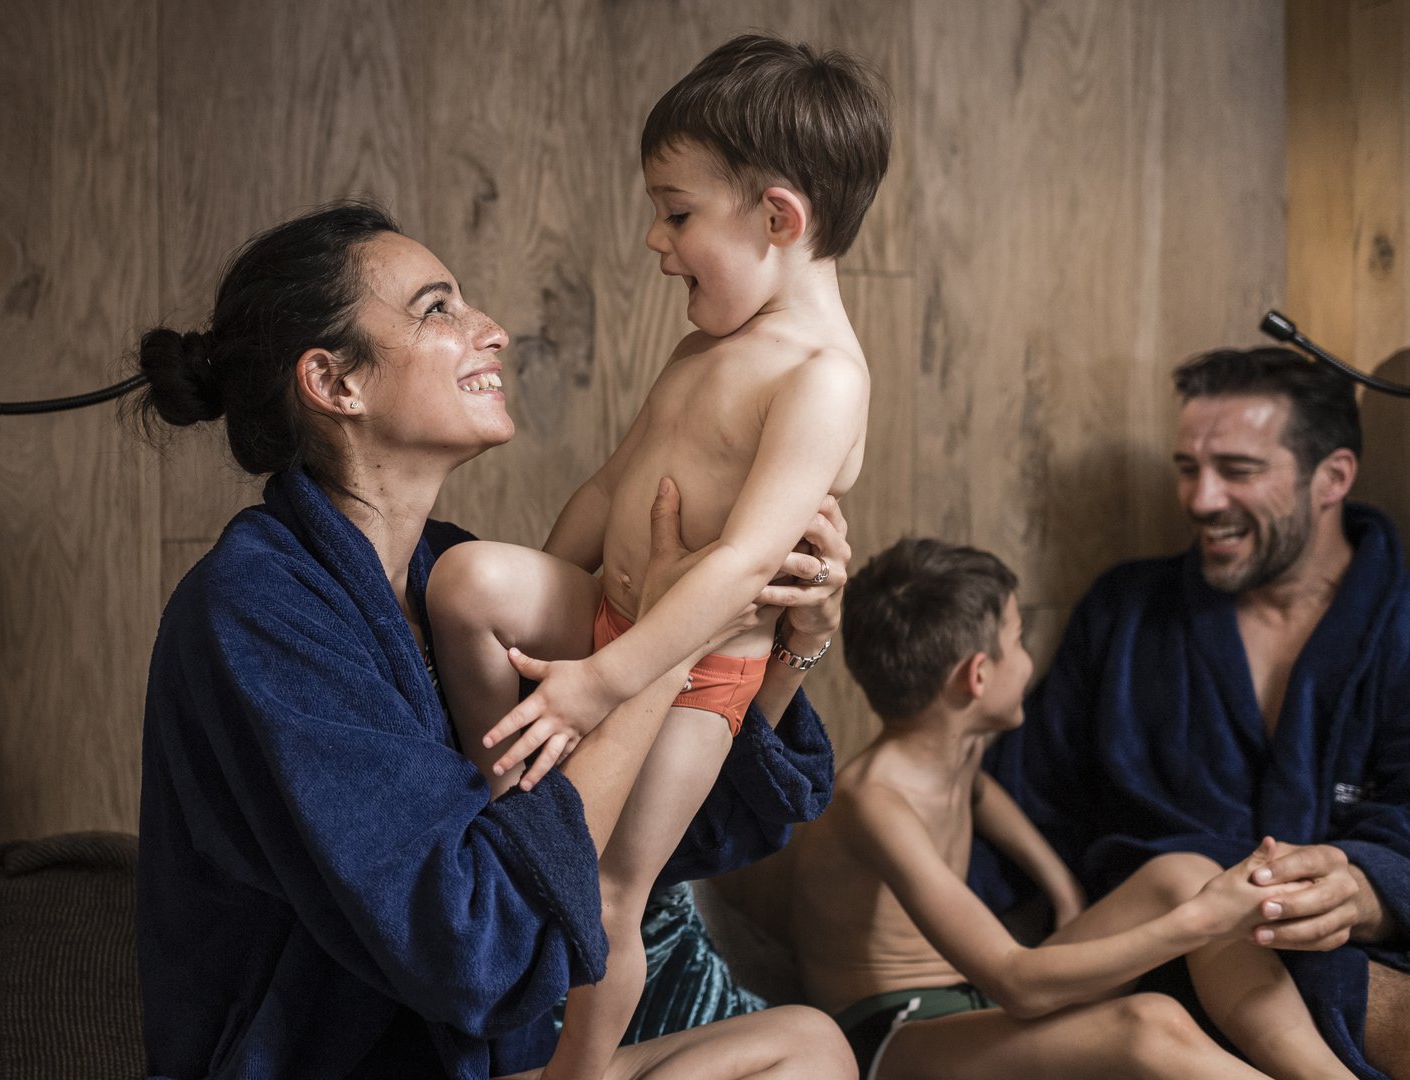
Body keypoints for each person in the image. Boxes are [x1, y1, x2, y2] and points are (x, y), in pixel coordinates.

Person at [132, 200, 856, 1079]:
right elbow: (473, 943)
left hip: (494, 1059)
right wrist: (674, 639)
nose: (494, 331)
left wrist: (789, 640)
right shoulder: (258, 612)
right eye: (438, 309)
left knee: (810, 1048)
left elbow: (655, 834)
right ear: (334, 383)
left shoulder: (448, 579)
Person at [427, 34, 888, 1080]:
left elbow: (738, 570)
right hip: (608, 619)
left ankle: (574, 1071)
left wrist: (603, 680)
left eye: (678, 213)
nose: (654, 237)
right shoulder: (700, 348)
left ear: (779, 219)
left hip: (696, 679)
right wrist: (559, 612)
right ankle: (501, 790)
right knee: (463, 582)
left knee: (608, 896)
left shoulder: (823, 379)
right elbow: (606, 489)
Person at [985, 347, 1410, 1079]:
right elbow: (1020, 802)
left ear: (1332, 478)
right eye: (1187, 468)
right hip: (1154, 970)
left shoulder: (1401, 625)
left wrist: (1370, 887)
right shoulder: (1127, 616)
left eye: (1238, 471)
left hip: (1353, 961)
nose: (1201, 499)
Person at [791, 537, 1310, 1079]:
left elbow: (980, 794)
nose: (1027, 659)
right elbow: (1015, 983)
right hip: (888, 1035)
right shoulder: (873, 801)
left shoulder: (951, 745)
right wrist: (1201, 922)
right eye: (1018, 641)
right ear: (978, 676)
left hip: (969, 998)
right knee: (1148, 1023)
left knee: (1183, 873)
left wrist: (1060, 883)